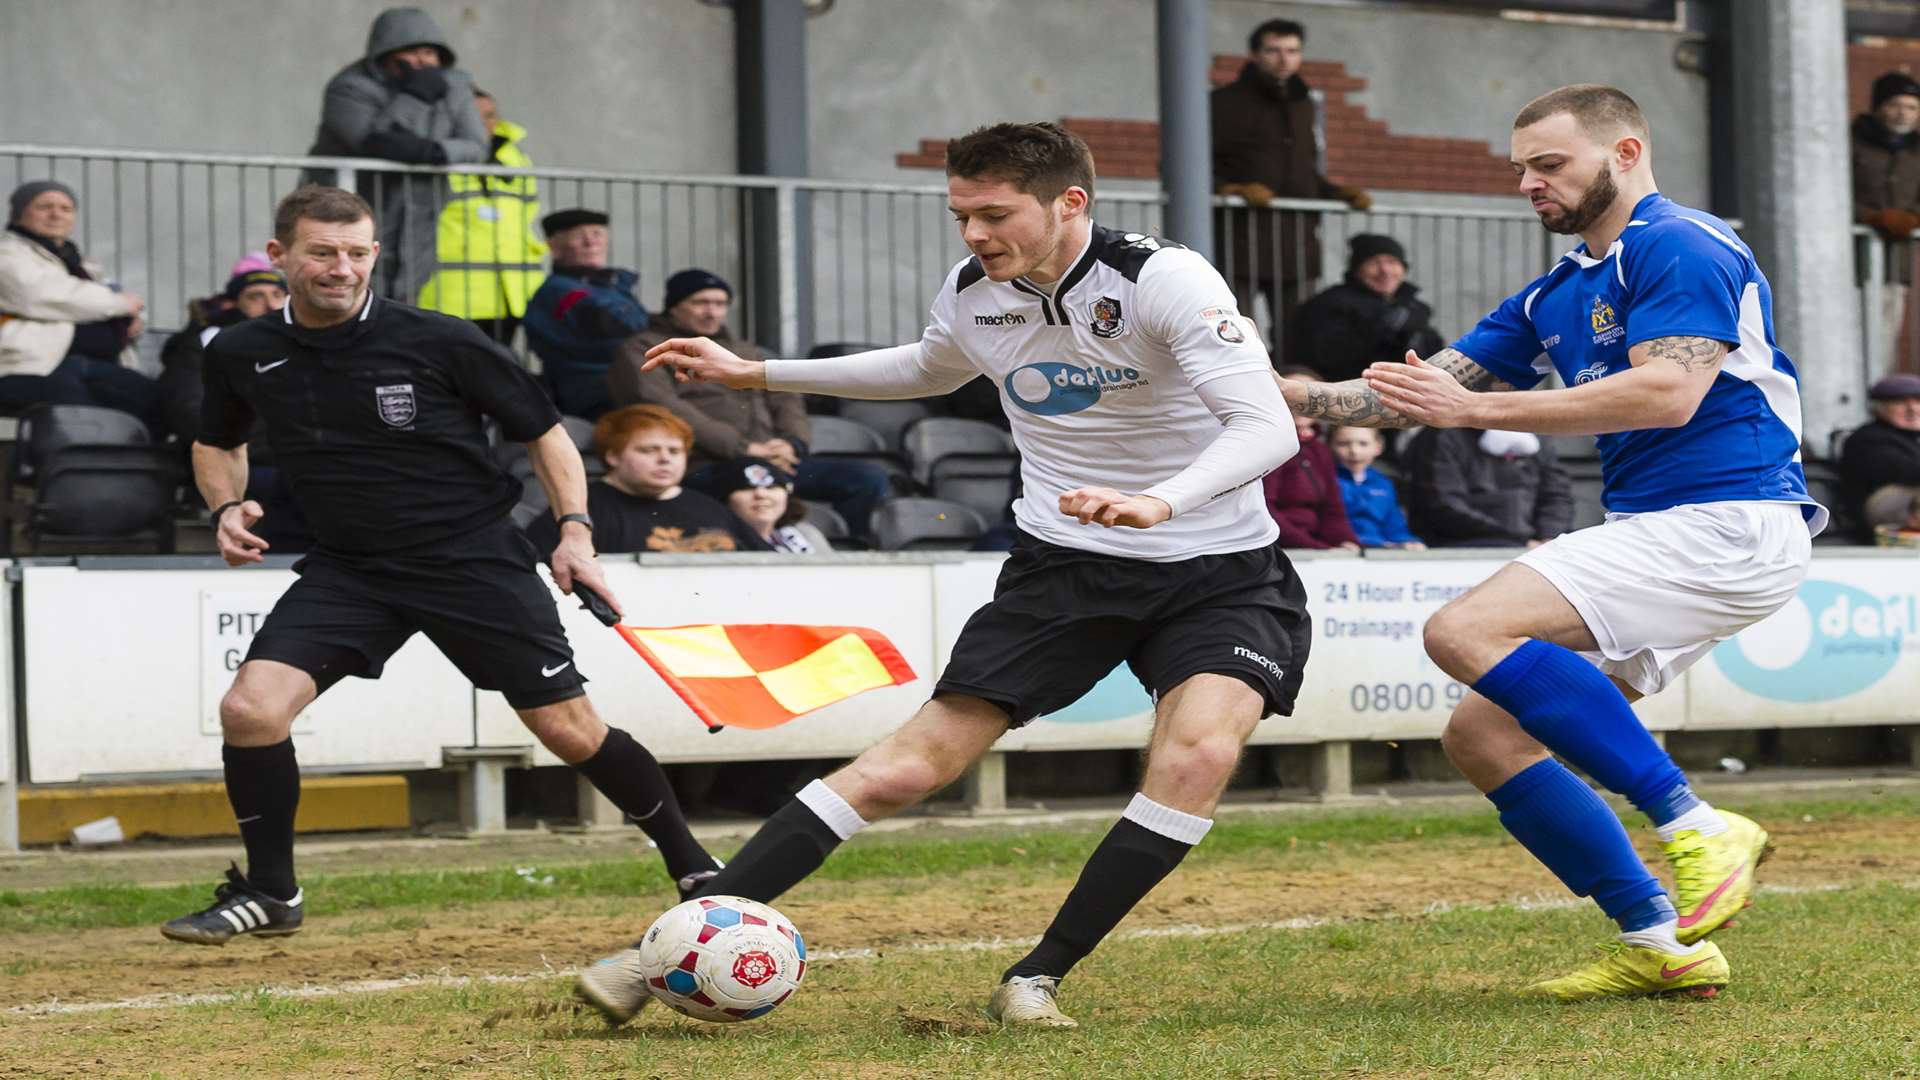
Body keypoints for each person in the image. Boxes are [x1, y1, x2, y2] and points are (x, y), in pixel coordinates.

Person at [575, 122, 1305, 1030]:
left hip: (1218, 570)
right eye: (960, 214)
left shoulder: (1164, 278)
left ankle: (1037, 977)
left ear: (1070, 202)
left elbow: (1267, 425)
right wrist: (755, 368)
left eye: (994, 214)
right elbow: (926, 367)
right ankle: (669, 948)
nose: (972, 234)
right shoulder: (974, 291)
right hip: (1066, 567)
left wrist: (1160, 500)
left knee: (1197, 754)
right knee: (907, 766)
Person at [1279, 85, 1824, 1000]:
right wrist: (1254, 385)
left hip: (1729, 518)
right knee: (1482, 733)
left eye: (1548, 164)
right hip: (1678, 531)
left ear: (1625, 152)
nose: (1528, 183)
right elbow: (1401, 396)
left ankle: (1694, 824)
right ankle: (1662, 941)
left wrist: (1478, 409)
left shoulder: (1679, 242)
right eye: (1520, 168)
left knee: (1463, 633)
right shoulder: (1556, 291)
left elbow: (1668, 394)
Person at [160, 185, 718, 947]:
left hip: (471, 557)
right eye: (322, 252)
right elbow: (216, 440)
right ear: (281, 255)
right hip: (351, 567)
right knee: (250, 711)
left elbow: (545, 433)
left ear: (375, 256)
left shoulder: (439, 338)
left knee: (568, 730)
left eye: (357, 253)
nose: (341, 268)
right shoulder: (241, 350)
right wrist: (227, 508)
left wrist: (574, 533)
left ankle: (696, 868)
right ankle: (271, 891)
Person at [611, 268, 891, 535]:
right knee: (746, 477)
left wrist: (791, 443)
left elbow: (787, 396)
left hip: (773, 462)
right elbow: (664, 409)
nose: (712, 311)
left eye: (720, 304)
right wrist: (743, 448)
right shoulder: (644, 348)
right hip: (704, 464)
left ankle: (856, 555)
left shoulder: (746, 350)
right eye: (701, 302)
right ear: (673, 306)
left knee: (866, 478)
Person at [1210, 17, 1371, 355]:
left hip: (1295, 244)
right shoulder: (1224, 102)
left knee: (1298, 335)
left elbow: (1303, 171)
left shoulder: (1304, 104)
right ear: (1254, 55)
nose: (1283, 59)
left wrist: (1336, 192)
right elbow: (1188, 165)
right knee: (1236, 335)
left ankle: (1293, 405)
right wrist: (1232, 190)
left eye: (1292, 51)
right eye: (1273, 50)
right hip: (1241, 241)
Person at [306, 6, 489, 301]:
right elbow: (375, 142)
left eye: (429, 52)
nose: (422, 61)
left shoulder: (454, 86)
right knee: (350, 280)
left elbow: (476, 145)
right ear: (385, 54)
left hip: (421, 206)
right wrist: (415, 97)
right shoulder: (349, 88)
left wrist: (436, 151)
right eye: (411, 51)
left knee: (407, 289)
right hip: (353, 206)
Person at [0, 180, 159, 423]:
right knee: (86, 420)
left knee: (161, 401)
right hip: (34, 366)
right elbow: (40, 295)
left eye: (66, 209)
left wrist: (131, 320)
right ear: (19, 215)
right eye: (44, 206)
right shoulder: (8, 254)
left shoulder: (82, 265)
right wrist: (118, 305)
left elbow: (90, 302)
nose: (56, 214)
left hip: (95, 366)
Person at [523, 404, 761, 554]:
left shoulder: (711, 508)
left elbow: (770, 565)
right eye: (648, 450)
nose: (665, 459)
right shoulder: (579, 509)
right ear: (613, 456)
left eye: (675, 451)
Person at [416, 87, 545, 346]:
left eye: (491, 115)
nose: (487, 123)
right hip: (453, 293)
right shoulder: (436, 155)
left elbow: (526, 214)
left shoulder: (514, 158)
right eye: (476, 116)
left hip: (512, 291)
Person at [522, 209, 648, 418]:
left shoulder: (609, 286)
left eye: (597, 234)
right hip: (593, 390)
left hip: (622, 381)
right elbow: (617, 326)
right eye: (579, 236)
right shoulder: (560, 291)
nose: (591, 243)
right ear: (554, 247)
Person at [1293, 234, 1446, 383]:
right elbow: (1329, 355)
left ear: (1403, 268)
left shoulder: (1414, 308)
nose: (1385, 270)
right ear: (1357, 269)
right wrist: (1384, 329)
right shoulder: (1331, 303)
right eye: (1374, 262)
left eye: (1392, 262)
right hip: (1347, 387)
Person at [1402, 427, 1572, 548]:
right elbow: (1442, 503)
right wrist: (1517, 541)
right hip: (1464, 545)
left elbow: (1556, 494)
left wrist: (1549, 536)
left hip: (1537, 547)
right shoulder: (1441, 436)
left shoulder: (1536, 437)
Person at [1852, 72, 1920, 373]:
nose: (1903, 113)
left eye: (1912, 106)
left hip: (1896, 263)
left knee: (1886, 335)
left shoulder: (1917, 150)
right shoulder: (1852, 141)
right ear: (1879, 106)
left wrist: (1912, 219)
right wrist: (1870, 218)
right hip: (1851, 260)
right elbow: (1828, 193)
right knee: (1850, 328)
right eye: (1895, 104)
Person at [1262, 367, 1360, 550]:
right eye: (1290, 395)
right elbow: (1263, 511)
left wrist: (1346, 541)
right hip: (1279, 549)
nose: (1299, 403)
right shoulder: (1267, 444)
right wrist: (1315, 548)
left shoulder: (1320, 449)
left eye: (1308, 396)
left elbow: (1332, 507)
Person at [691, 456, 834, 553]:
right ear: (723, 499)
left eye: (771, 487)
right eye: (747, 488)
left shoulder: (806, 534)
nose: (761, 494)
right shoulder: (711, 544)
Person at [1838, 372, 1920, 541]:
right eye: (1900, 402)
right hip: (1878, 521)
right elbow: (1908, 471)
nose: (1912, 408)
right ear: (1879, 407)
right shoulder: (1867, 439)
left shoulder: (1912, 438)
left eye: (1918, 401)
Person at [1330, 426, 1423, 550]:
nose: (1354, 451)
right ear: (1329, 446)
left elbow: (1394, 524)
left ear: (1378, 447)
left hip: (1380, 549)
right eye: (1343, 444)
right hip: (1342, 549)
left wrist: (1407, 541)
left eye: (1363, 444)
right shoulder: (1327, 480)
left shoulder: (1383, 483)